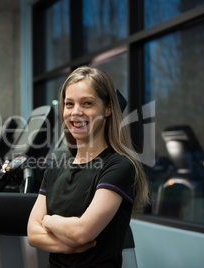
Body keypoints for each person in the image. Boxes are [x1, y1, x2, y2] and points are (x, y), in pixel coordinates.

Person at [27, 66, 149, 267]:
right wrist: (70, 245)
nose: (75, 112)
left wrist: (49, 221)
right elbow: (32, 234)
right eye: (69, 104)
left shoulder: (118, 166)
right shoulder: (55, 169)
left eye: (87, 103)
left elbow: (81, 232)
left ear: (108, 108)